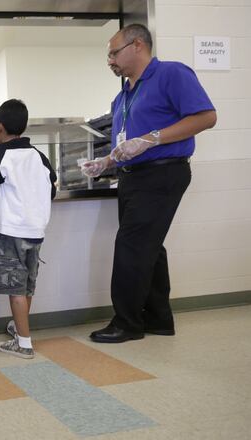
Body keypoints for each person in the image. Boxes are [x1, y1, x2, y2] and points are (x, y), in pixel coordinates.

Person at [81, 24, 216, 343]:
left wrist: (152, 139)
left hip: (162, 173)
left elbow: (207, 117)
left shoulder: (172, 74)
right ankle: (158, 318)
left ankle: (127, 322)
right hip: (132, 177)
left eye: (114, 53)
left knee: (131, 245)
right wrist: (106, 161)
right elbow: (125, 145)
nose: (110, 60)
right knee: (148, 247)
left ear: (137, 46)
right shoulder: (122, 97)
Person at [0, 99, 56, 359]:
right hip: (35, 231)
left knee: (15, 289)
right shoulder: (40, 157)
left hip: (10, 231)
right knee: (27, 286)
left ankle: (24, 343)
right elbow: (51, 190)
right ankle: (20, 329)